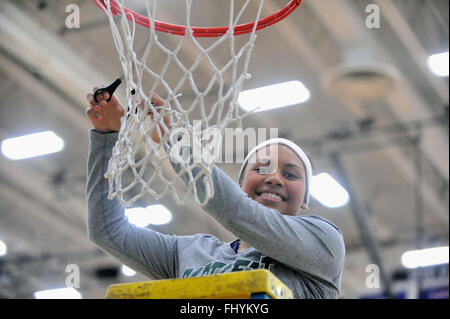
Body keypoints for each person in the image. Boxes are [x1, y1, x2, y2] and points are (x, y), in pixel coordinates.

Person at [85, 89, 345, 299]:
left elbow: (235, 211)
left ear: (306, 198)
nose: (274, 178)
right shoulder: (188, 252)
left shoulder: (324, 241)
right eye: (261, 168)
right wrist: (107, 137)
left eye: (290, 174)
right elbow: (108, 232)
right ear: (241, 184)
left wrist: (171, 139)